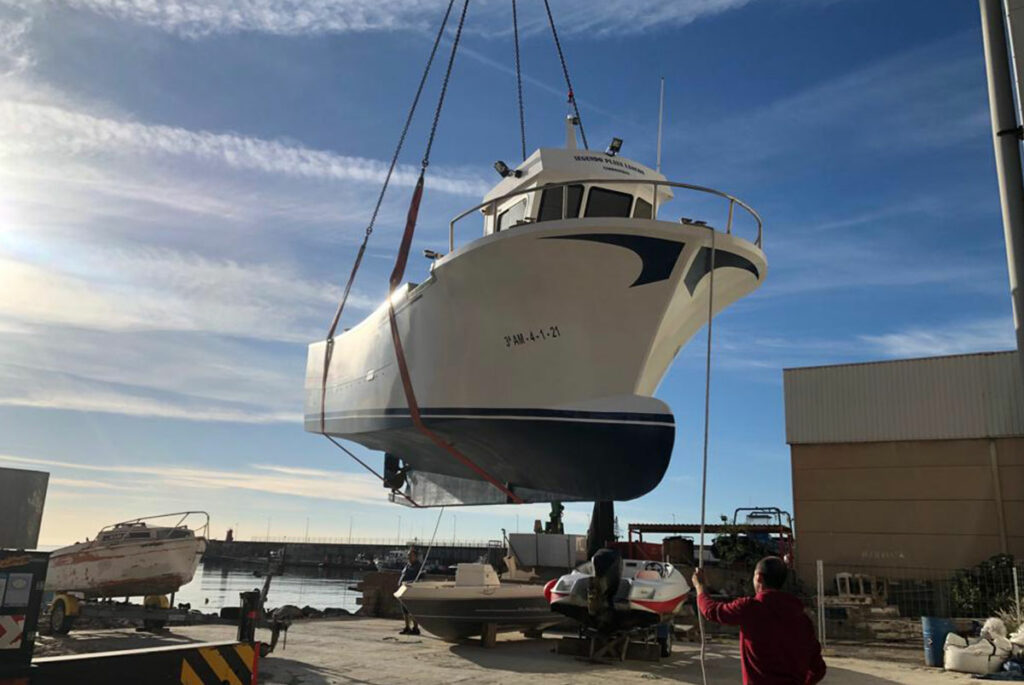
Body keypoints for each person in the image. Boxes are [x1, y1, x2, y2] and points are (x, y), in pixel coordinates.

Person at [692, 557, 826, 685]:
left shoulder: (750, 608)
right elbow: (818, 669)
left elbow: (711, 611)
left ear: (759, 577)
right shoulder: (802, 619)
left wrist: (700, 587)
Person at [398, 547, 422, 635]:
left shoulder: (418, 566)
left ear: (415, 556)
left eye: (410, 555)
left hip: (412, 591)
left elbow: (421, 579)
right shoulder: (407, 565)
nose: (409, 557)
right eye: (408, 555)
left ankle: (415, 628)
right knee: (405, 611)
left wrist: (410, 583)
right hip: (403, 590)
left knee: (413, 610)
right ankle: (407, 627)